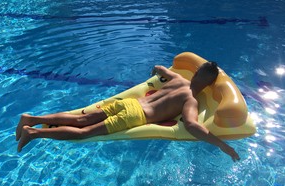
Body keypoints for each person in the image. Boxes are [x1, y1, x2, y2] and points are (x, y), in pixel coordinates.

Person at [16, 61, 240, 161]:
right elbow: (192, 125)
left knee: (82, 119)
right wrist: (222, 145)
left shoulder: (179, 79)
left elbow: (160, 69)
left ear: (197, 72)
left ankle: (32, 118)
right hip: (136, 116)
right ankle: (34, 133)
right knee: (85, 132)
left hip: (129, 103)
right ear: (209, 85)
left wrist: (157, 70)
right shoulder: (191, 100)